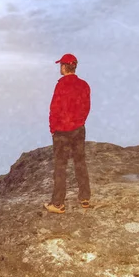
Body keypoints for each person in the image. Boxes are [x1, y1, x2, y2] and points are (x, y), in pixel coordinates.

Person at [44, 53, 91, 214]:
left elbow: (54, 109)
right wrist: (80, 122)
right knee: (80, 162)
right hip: (78, 129)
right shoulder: (84, 85)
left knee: (60, 166)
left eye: (61, 65)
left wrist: (53, 128)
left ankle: (58, 203)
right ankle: (85, 198)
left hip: (62, 131)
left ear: (64, 67)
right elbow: (86, 107)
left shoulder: (61, 86)